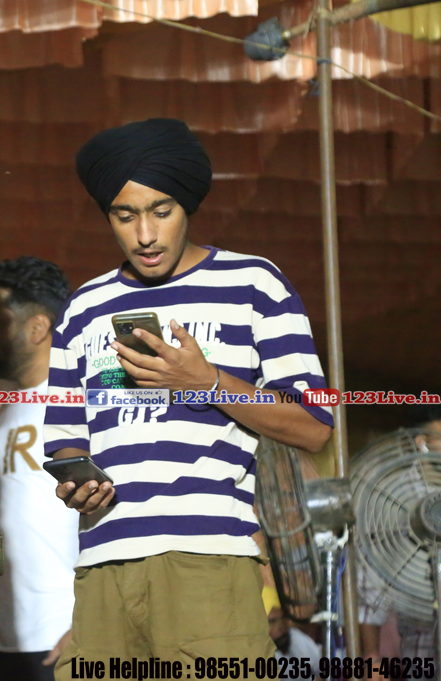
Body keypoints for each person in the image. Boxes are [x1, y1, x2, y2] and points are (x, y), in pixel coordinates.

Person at [45, 118, 333, 677]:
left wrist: (207, 381)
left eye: (162, 211)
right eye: (125, 216)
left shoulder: (255, 285)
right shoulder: (83, 309)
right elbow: (65, 438)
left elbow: (314, 425)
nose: (145, 235)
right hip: (103, 565)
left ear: (188, 206)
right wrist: (77, 484)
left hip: (209, 561)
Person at [0, 257, 78, 681]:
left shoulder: (80, 404)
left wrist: (93, 621)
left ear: (37, 328)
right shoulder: (11, 401)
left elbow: (124, 518)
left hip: (63, 639)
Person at [358, 406, 441, 667]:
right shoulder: (394, 498)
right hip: (423, 645)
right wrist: (372, 657)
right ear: (421, 442)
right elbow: (370, 585)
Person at [265, 587, 320, 675]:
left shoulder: (294, 637)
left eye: (283, 618)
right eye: (272, 621)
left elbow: (322, 661)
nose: (282, 626)